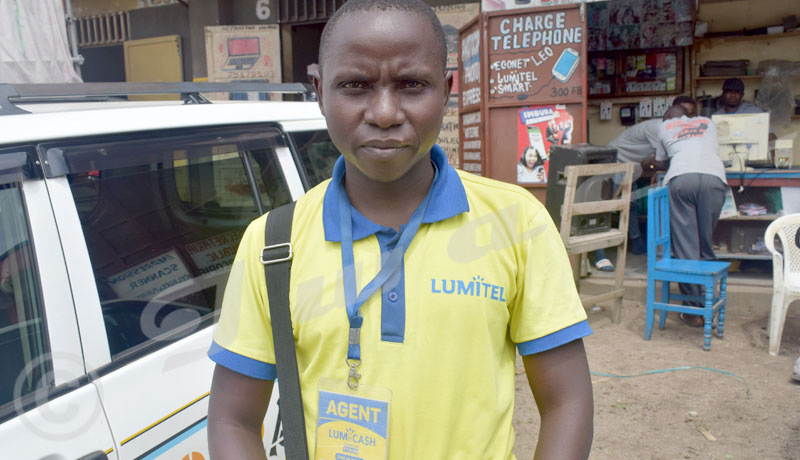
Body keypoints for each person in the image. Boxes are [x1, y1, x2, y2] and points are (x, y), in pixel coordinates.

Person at [206, 1, 594, 459]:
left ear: (447, 89)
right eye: (355, 85)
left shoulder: (516, 221)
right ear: (319, 90)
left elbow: (567, 401)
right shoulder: (273, 243)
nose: (385, 113)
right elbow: (233, 419)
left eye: (412, 85)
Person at [592, 96, 698, 271]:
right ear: (672, 113)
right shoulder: (658, 128)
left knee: (631, 206)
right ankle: (599, 255)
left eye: (691, 115)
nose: (687, 119)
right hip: (615, 162)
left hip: (631, 167)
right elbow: (665, 160)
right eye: (684, 114)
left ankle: (637, 244)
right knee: (606, 208)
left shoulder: (674, 129)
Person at [653, 104, 728, 328]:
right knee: (705, 243)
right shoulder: (707, 122)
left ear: (668, 116)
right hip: (714, 178)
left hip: (682, 177)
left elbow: (661, 161)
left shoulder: (665, 125)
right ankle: (708, 305)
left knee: (686, 247)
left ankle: (693, 311)